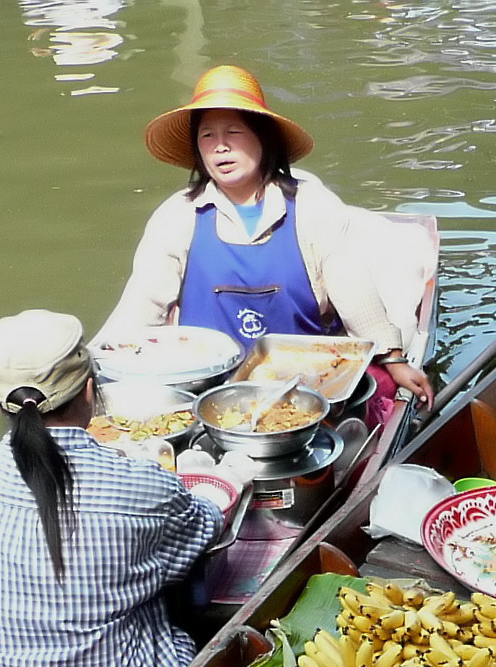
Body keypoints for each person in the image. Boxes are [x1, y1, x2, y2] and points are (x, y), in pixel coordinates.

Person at [99, 64, 433, 410]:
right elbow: (143, 304)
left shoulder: (312, 206)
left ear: (264, 138)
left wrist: (392, 356)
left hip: (307, 383)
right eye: (207, 136)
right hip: (208, 390)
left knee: (377, 389)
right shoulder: (178, 215)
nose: (220, 147)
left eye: (234, 132)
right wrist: (97, 364)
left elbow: (354, 292)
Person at [0, 310, 223, 667]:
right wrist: (221, 480)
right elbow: (205, 524)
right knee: (161, 599)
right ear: (89, 390)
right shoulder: (140, 489)